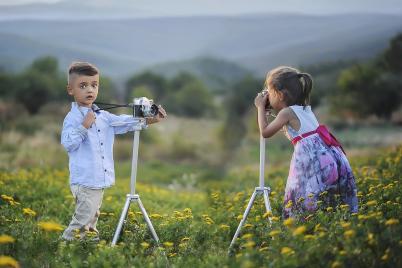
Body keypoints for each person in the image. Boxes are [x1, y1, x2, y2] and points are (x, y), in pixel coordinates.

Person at [61, 61, 167, 241]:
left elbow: (124, 122)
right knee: (83, 219)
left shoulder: (103, 116)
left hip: (97, 179)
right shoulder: (72, 118)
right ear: (70, 90)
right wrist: (84, 126)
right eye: (83, 86)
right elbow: (68, 143)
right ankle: (65, 246)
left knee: (92, 216)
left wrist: (150, 120)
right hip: (85, 179)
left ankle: (87, 246)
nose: (90, 90)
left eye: (94, 85)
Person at [254, 66, 358, 219]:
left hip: (312, 162)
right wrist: (267, 110)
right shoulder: (304, 109)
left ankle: (306, 226)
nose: (267, 96)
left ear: (281, 95)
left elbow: (265, 132)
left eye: (270, 92)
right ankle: (332, 223)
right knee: (326, 197)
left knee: (304, 195)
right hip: (330, 157)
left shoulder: (286, 113)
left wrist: (260, 108)